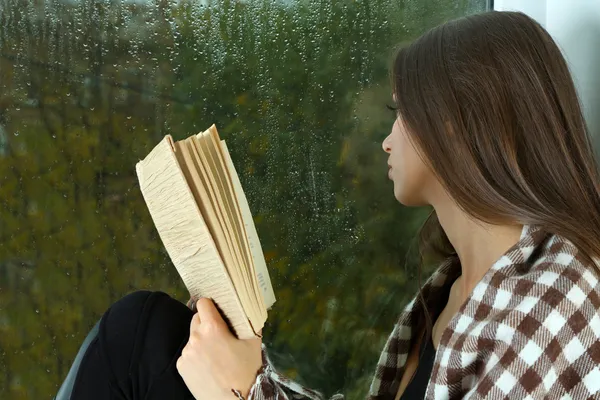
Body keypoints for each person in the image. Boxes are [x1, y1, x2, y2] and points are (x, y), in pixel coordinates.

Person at [56, 10, 600, 400]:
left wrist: (242, 393)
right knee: (147, 331)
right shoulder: (450, 293)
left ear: (460, 125)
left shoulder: (558, 303)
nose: (388, 140)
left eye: (402, 113)